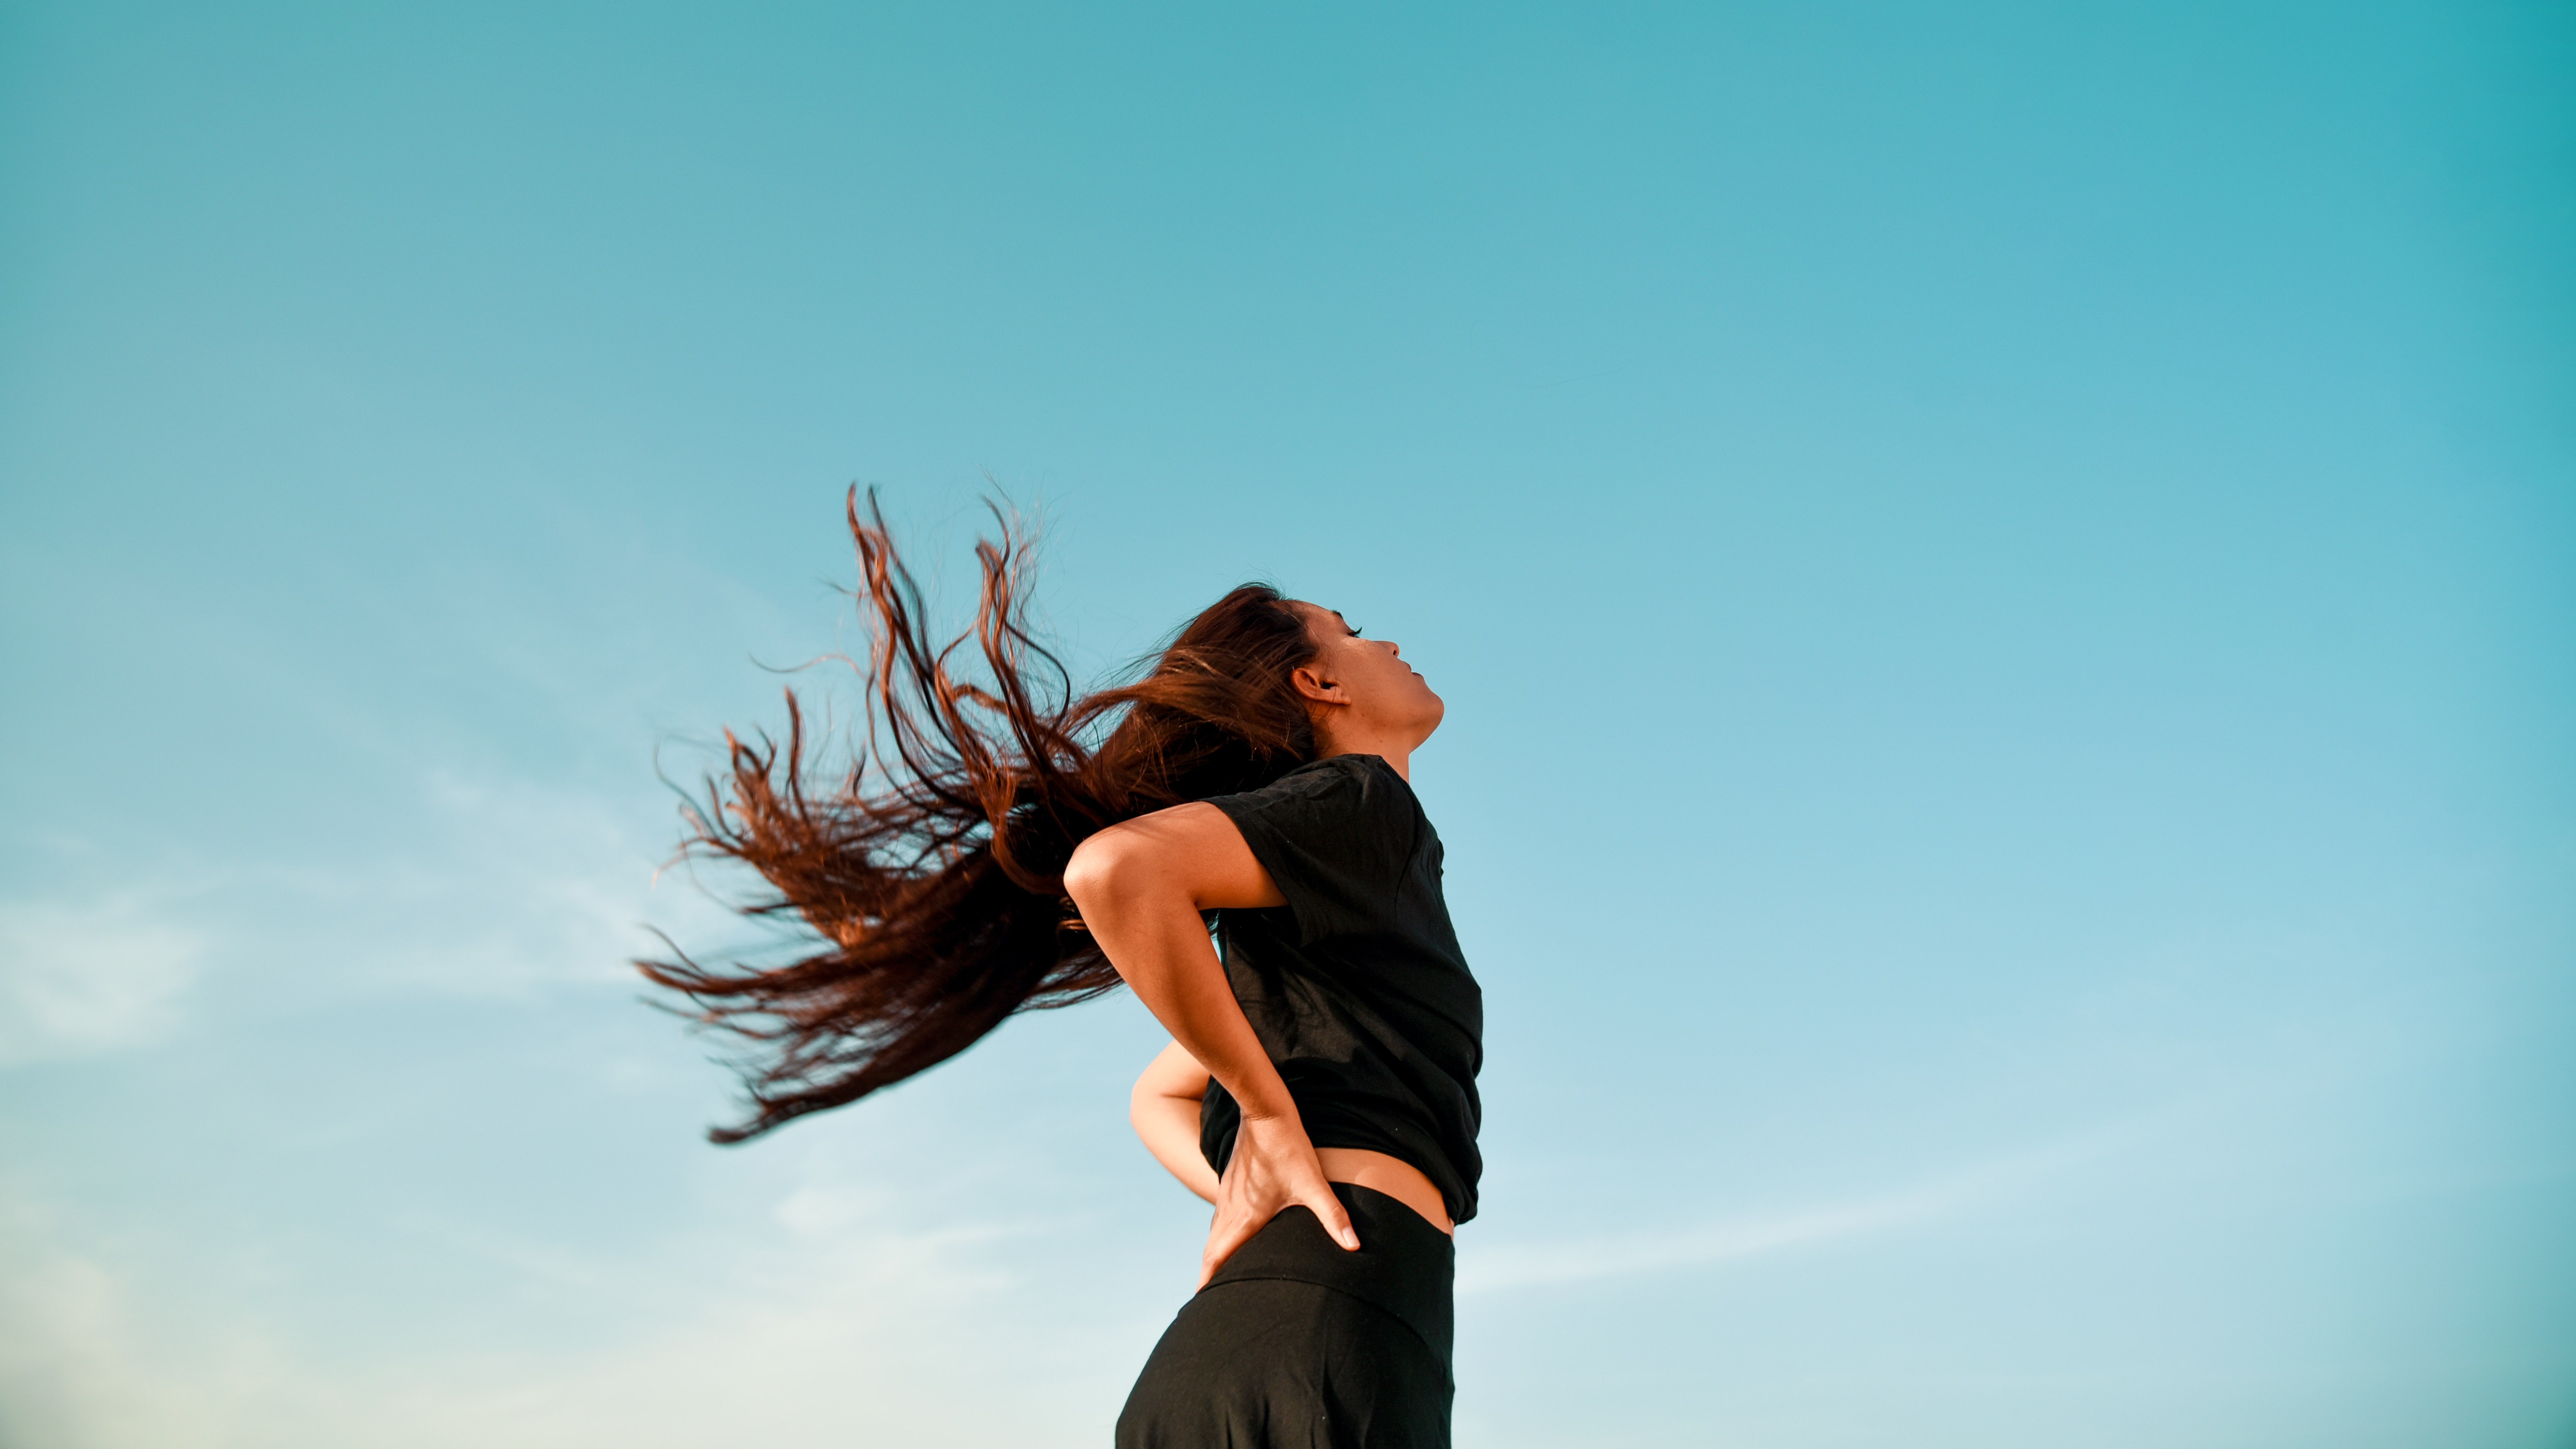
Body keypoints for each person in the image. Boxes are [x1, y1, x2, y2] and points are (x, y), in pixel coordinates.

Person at [643, 493, 1482, 1447]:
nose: (1388, 644)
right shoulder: (1364, 803)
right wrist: (1262, 1113)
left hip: (1261, 1344)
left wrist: (1265, 1177)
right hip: (1328, 1346)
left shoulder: (1339, 895)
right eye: (1352, 634)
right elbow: (1115, 868)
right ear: (1316, 683)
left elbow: (1156, 1098)